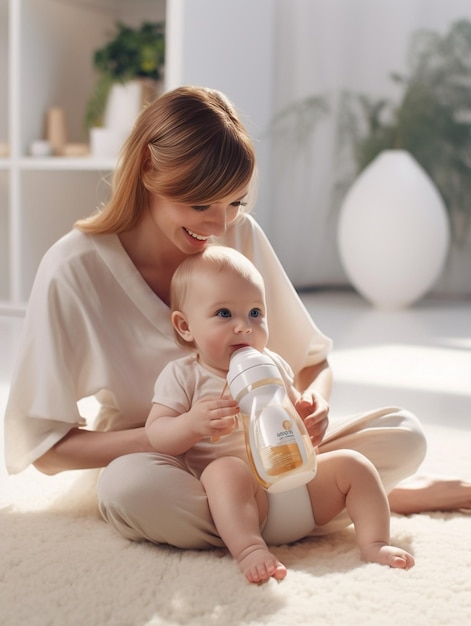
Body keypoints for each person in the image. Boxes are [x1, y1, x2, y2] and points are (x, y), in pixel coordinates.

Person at [3, 85, 470, 551]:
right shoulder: (75, 269)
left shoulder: (236, 235)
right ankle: (342, 503)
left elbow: (311, 362)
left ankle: (264, 515)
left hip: (272, 453)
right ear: (148, 168)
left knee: (404, 433)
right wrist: (172, 435)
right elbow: (47, 450)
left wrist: (307, 407)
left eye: (235, 202)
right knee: (131, 491)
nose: (219, 226)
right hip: (162, 465)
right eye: (201, 203)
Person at [146, 245, 415, 583]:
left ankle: (374, 542)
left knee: (354, 464)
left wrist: (310, 411)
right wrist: (191, 423)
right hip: (249, 505)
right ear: (185, 326)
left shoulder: (272, 363)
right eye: (225, 314)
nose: (244, 327)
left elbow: (292, 408)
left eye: (255, 313)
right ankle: (250, 549)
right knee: (225, 471)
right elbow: (156, 433)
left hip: (301, 483)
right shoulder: (183, 375)